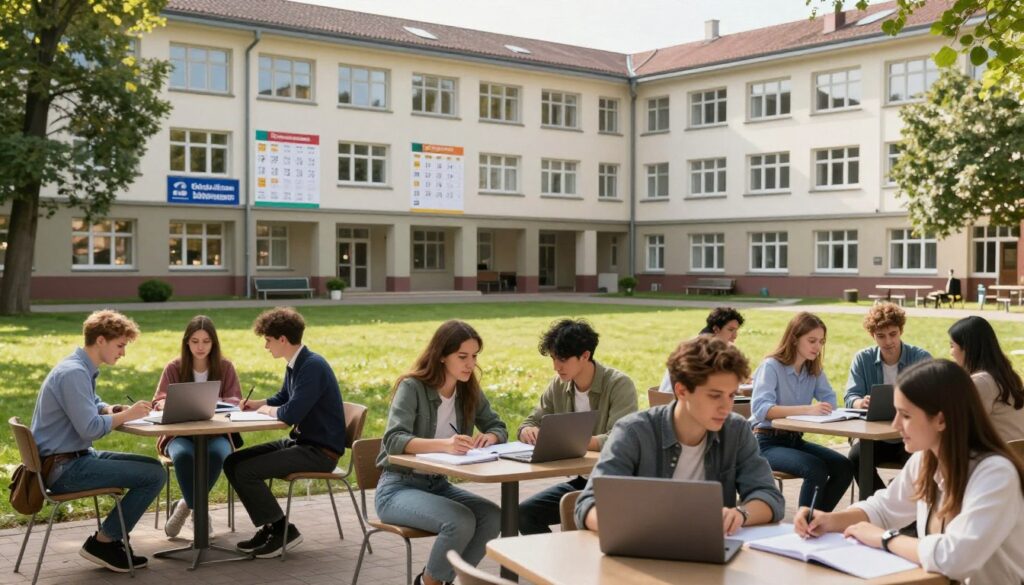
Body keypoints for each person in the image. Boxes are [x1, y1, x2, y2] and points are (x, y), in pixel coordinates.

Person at [794, 359, 1024, 584]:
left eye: (905, 415)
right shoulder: (926, 458)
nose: (895, 425)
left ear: (941, 420)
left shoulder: (995, 474)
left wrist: (885, 538)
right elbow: (884, 509)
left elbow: (955, 558)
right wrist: (829, 520)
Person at [575, 335, 784, 533]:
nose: (726, 407)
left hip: (709, 553)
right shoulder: (633, 432)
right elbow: (589, 504)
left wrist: (741, 514)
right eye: (714, 396)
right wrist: (632, 528)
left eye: (731, 395)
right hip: (641, 555)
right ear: (682, 391)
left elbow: (769, 496)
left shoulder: (736, 430)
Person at [30, 310, 164, 573]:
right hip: (64, 469)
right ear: (100, 340)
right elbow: (89, 428)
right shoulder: (73, 373)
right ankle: (104, 542)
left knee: (153, 469)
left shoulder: (78, 368)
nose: (123, 353)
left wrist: (110, 409)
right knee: (153, 475)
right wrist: (127, 415)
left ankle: (109, 540)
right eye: (121, 345)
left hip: (72, 459)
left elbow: (92, 405)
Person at [375, 320, 506, 585]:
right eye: (462, 357)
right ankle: (428, 583)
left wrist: (490, 436)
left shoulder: (467, 388)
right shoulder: (412, 387)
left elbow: (498, 426)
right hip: (397, 489)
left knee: (493, 516)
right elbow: (393, 439)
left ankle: (454, 580)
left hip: (438, 485)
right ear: (442, 356)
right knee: (460, 521)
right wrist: (445, 444)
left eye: (474, 356)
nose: (470, 364)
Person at [224, 307, 347, 558]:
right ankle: (270, 526)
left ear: (282, 339)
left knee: (246, 471)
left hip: (319, 452)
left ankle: (283, 530)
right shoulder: (296, 364)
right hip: (302, 443)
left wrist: (267, 410)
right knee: (233, 461)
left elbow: (290, 413)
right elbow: (284, 397)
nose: (266, 347)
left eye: (268, 341)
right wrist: (256, 404)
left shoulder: (312, 366)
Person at [517, 318, 638, 534]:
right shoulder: (559, 384)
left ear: (585, 355)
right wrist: (528, 431)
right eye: (553, 359)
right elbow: (529, 422)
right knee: (523, 514)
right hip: (583, 483)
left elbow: (619, 440)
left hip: (614, 485)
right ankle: (554, 567)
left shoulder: (619, 385)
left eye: (562, 359)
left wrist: (570, 441)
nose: (556, 367)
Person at [750, 311, 853, 511]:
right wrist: (808, 410)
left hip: (794, 440)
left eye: (821, 342)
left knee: (844, 467)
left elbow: (830, 399)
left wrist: (828, 408)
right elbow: (761, 409)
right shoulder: (771, 366)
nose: (817, 347)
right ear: (795, 339)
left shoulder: (813, 369)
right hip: (765, 442)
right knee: (815, 469)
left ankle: (815, 522)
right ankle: (804, 528)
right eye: (812, 340)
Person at [152, 315, 242, 538]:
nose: (200, 347)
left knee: (217, 455)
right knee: (183, 457)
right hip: (179, 435)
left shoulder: (225, 366)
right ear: (186, 342)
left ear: (214, 343)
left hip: (217, 433)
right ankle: (200, 510)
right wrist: (165, 402)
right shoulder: (174, 367)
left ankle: (185, 506)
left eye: (206, 341)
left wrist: (223, 404)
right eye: (195, 341)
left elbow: (235, 400)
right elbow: (158, 401)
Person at [845, 302, 931, 492]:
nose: (888, 341)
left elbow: (933, 397)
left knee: (920, 460)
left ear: (901, 331)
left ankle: (903, 512)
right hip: (875, 438)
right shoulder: (863, 359)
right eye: (881, 336)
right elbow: (850, 396)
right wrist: (861, 402)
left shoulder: (920, 358)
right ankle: (879, 505)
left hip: (910, 435)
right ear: (872, 335)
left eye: (893, 334)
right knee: (855, 458)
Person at [948, 316, 1024, 441]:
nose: (950, 352)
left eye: (952, 345)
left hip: (1001, 456)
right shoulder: (1004, 375)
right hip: (1016, 454)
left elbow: (957, 426)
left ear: (967, 349)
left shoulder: (982, 382)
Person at [658, 307, 745, 392]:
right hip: (676, 400)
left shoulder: (709, 345)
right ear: (716, 329)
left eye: (736, 331)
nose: (735, 335)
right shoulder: (702, 350)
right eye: (730, 330)